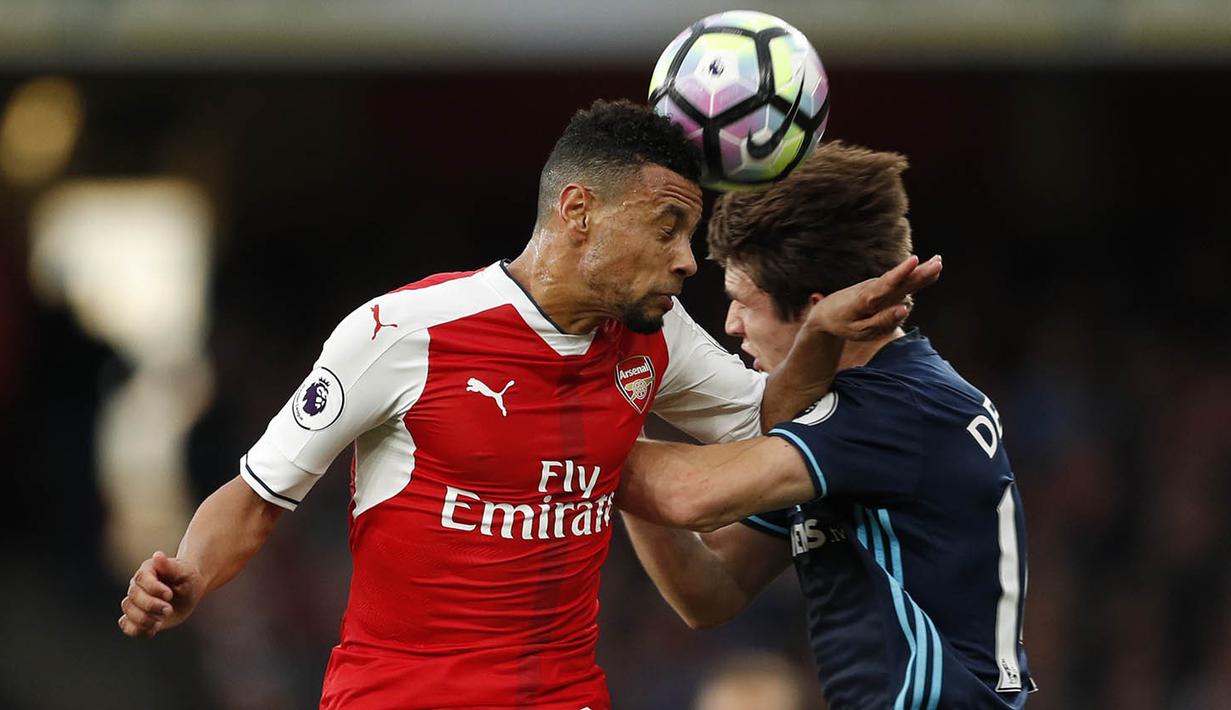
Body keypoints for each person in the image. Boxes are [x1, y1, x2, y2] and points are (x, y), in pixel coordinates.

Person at [116, 102, 941, 709]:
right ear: (577, 212)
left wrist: (823, 335)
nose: (686, 261)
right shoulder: (402, 330)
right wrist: (188, 572)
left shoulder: (655, 340)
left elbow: (769, 419)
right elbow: (258, 495)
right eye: (666, 228)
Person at [619, 141, 1034, 709]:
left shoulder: (895, 409)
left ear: (817, 306)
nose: (732, 325)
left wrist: (587, 412)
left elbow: (690, 496)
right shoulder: (846, 420)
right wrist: (621, 433)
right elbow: (711, 592)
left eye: (744, 301)